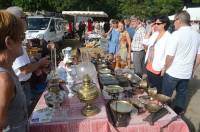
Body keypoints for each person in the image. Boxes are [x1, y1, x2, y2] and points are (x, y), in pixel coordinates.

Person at [6, 6, 50, 108]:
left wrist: (34, 63)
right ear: (15, 20)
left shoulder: (16, 38)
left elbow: (23, 63)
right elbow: (24, 70)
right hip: (19, 87)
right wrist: (39, 64)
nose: (26, 21)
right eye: (24, 18)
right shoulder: (12, 40)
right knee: (23, 117)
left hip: (23, 85)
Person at [162, 11, 200, 115]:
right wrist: (193, 70)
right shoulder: (197, 35)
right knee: (182, 94)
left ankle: (164, 113)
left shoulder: (176, 34)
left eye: (174, 21)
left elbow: (170, 56)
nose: (174, 23)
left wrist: (165, 68)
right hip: (186, 72)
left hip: (173, 72)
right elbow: (198, 57)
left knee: (165, 95)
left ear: (179, 20)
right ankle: (178, 113)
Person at [0, 10, 28, 132]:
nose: (24, 41)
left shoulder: (8, 69)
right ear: (9, 42)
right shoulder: (4, 79)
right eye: (22, 36)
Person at [144, 16, 171, 92]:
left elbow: (168, 54)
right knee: (149, 87)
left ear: (164, 24)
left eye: (158, 23)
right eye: (155, 23)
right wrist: (149, 31)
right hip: (149, 64)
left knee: (157, 89)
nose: (155, 25)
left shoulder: (168, 37)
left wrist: (164, 67)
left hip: (158, 67)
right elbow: (145, 43)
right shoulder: (155, 34)